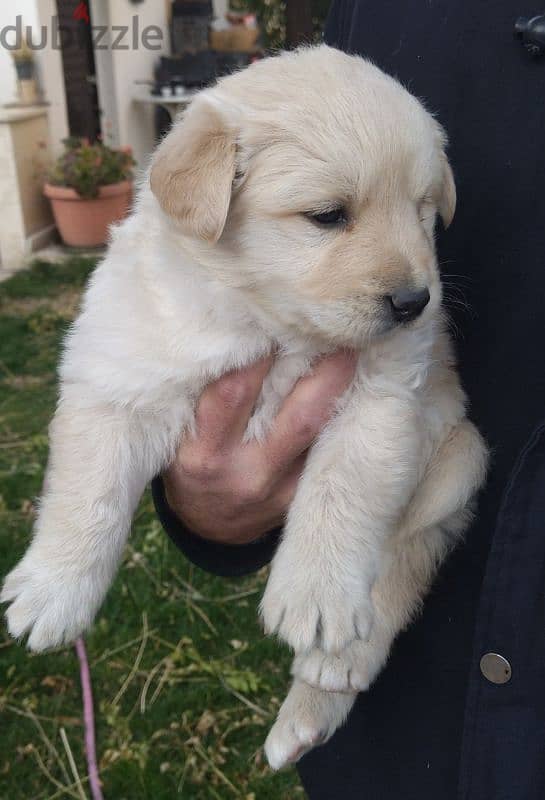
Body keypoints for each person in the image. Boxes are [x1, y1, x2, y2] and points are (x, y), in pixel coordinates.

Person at [152, 2, 545, 797]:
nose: (413, 278)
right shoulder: (383, 19)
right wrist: (203, 506)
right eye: (331, 214)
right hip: (410, 731)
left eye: (422, 211)